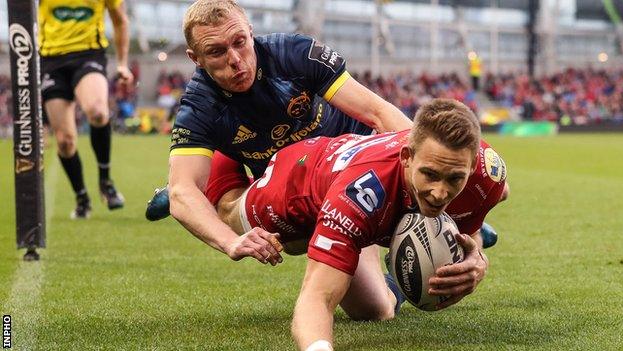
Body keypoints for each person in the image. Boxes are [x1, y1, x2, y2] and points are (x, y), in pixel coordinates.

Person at [213, 98, 488, 350]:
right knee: (228, 209)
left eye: (454, 179)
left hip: (354, 185)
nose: (440, 193)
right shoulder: (357, 197)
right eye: (429, 174)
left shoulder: (487, 175)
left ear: (473, 165)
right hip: (292, 190)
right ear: (407, 157)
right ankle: (219, 150)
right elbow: (316, 299)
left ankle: (378, 244)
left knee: (376, 310)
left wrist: (477, 256)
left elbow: (487, 204)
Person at [152, 0, 412, 264]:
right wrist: (231, 242)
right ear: (195, 59)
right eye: (217, 51)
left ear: (251, 33)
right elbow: (182, 195)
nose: (235, 60)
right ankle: (200, 179)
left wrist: (426, 158)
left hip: (345, 153)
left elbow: (378, 112)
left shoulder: (296, 54)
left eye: (240, 42)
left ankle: (393, 288)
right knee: (291, 239)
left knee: (374, 306)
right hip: (284, 176)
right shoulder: (198, 107)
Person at [38, 0, 133, 218]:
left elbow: (120, 21)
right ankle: (81, 197)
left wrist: (122, 63)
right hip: (51, 60)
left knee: (98, 111)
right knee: (64, 141)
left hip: (88, 55)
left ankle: (105, 181)